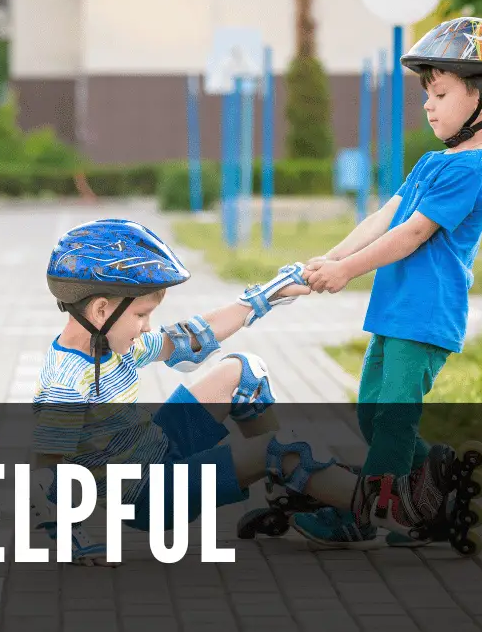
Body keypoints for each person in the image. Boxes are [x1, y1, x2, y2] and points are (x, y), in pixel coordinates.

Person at [28, 218, 458, 565]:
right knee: (282, 449)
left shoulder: (114, 342)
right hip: (148, 497)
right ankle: (400, 513)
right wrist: (70, 539)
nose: (146, 326)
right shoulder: (66, 382)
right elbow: (48, 468)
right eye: (141, 314)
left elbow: (191, 338)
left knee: (243, 372)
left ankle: (288, 490)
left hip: (156, 450)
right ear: (101, 309)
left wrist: (269, 293)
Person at [291, 16, 482, 548]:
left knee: (393, 423)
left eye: (440, 93)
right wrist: (327, 259)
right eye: (428, 93)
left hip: (425, 316)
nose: (428, 104)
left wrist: (347, 272)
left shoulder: (474, 171)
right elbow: (386, 217)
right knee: (374, 418)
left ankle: (362, 514)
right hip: (396, 310)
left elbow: (412, 236)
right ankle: (438, 476)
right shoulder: (432, 163)